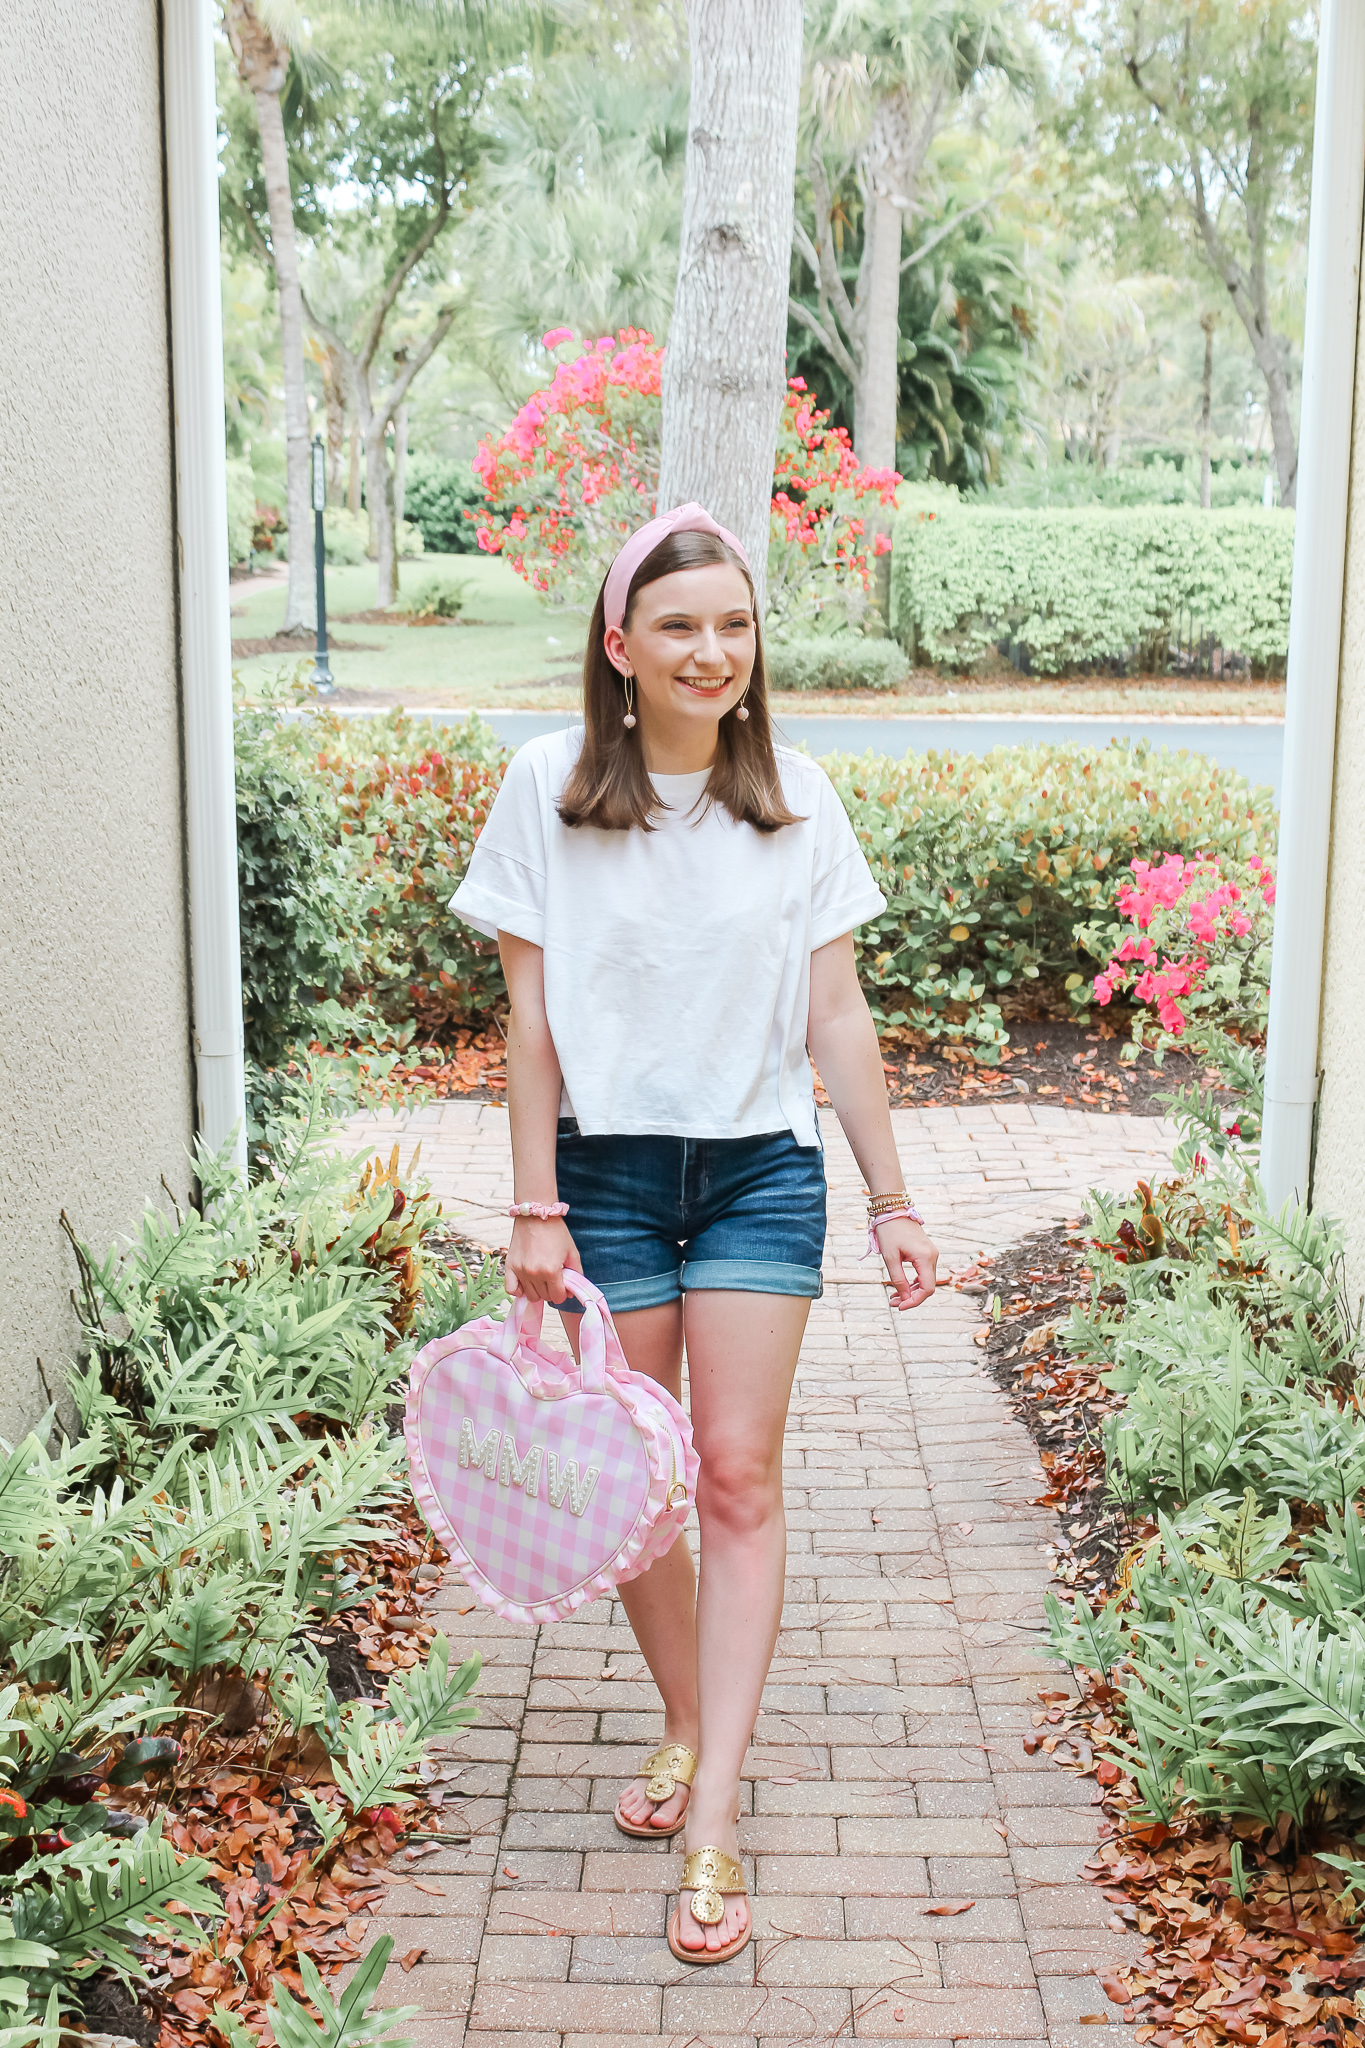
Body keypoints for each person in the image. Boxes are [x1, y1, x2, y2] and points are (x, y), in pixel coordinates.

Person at [450, 502, 938, 1966]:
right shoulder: (545, 785)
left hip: (755, 1177)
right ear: (619, 645)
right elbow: (528, 1023)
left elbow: (834, 1016)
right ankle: (676, 1719)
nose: (709, 649)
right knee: (636, 1489)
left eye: (732, 624)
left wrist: (897, 1197)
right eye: (676, 625)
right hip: (597, 1177)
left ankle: (714, 1804)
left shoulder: (795, 794)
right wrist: (531, 1203)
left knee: (733, 1476)